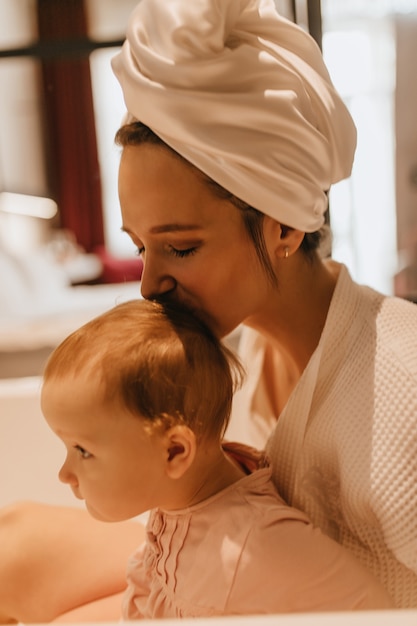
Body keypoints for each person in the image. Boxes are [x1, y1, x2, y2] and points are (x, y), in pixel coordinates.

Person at [0, 0, 416, 621]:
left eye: (181, 247)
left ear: (282, 227)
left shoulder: (399, 394)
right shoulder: (245, 344)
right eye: (141, 247)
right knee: (15, 542)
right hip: (229, 567)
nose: (148, 285)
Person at [39, 298, 392, 619]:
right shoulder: (180, 493)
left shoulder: (259, 544)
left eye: (82, 451)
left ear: (175, 451)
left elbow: (378, 610)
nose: (64, 474)